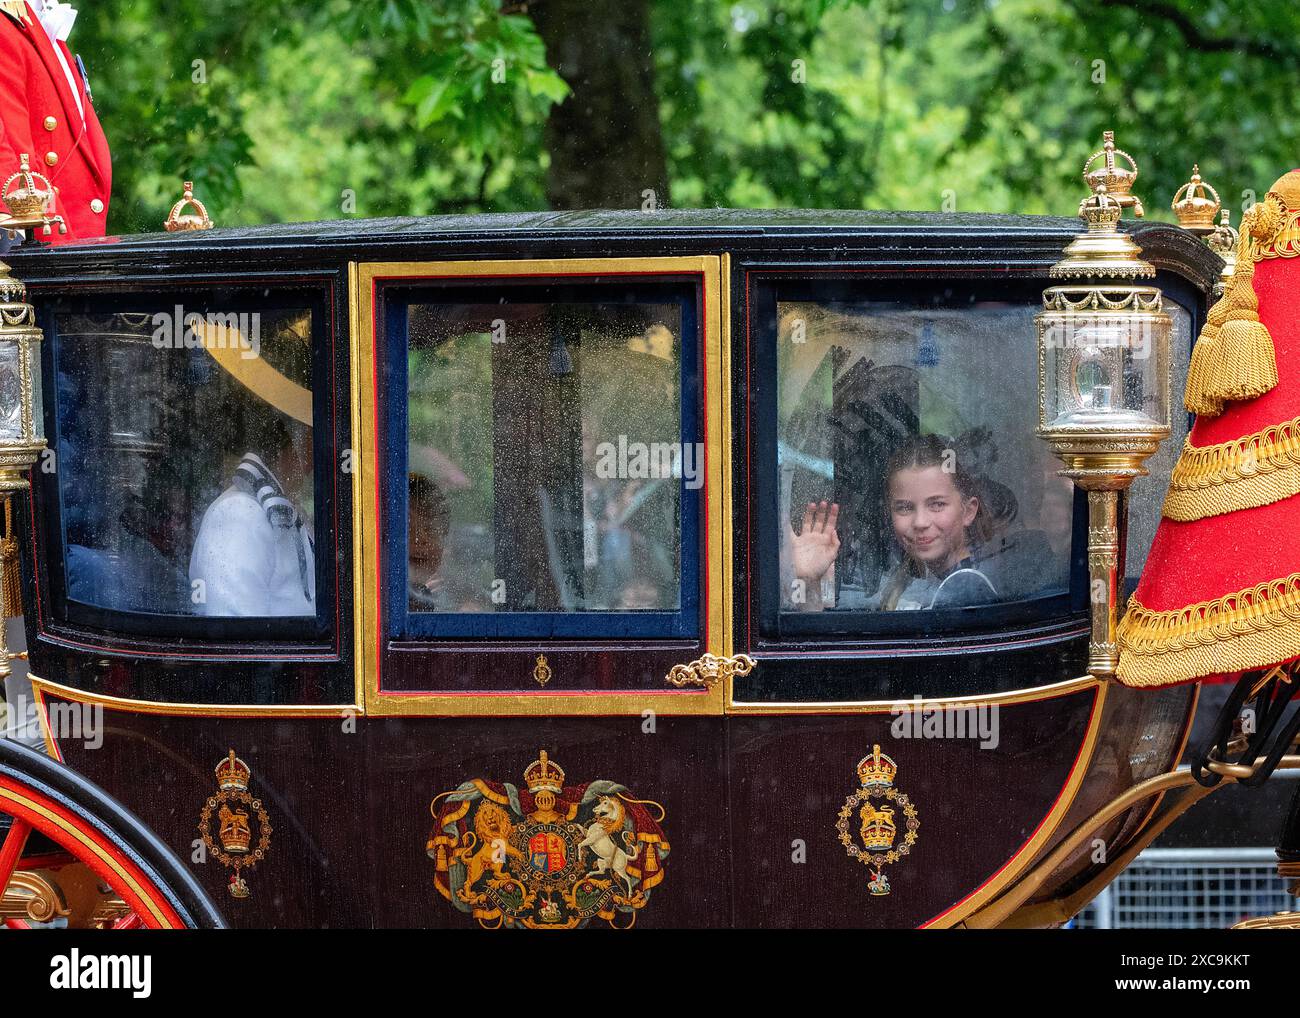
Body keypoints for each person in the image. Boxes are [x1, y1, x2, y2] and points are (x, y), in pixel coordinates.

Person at [787, 433, 999, 611]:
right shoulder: (911, 576)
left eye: (937, 504)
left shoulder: (967, 588)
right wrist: (809, 581)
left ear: (968, 511)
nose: (920, 522)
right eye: (904, 507)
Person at [0, 1, 111, 242]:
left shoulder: (38, 23)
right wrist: (61, 257)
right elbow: (23, 168)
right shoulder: (5, 27)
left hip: (81, 242)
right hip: (50, 244)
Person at [190, 446, 315, 618]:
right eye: (308, 440)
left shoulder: (282, 508)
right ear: (288, 448)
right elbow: (235, 625)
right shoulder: (238, 512)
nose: (312, 463)